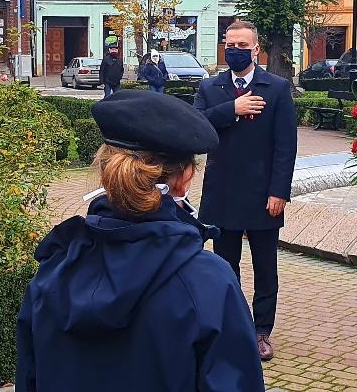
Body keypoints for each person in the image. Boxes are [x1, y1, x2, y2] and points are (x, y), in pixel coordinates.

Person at [15, 90, 266, 392]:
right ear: (185, 177)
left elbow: (30, 379)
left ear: (106, 170)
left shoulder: (53, 270)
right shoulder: (208, 282)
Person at [195, 20, 297, 362]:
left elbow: (286, 146)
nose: (235, 50)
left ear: (256, 49)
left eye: (242, 45)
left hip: (263, 196)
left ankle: (261, 332)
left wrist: (279, 191)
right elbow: (195, 128)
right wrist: (231, 110)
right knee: (226, 268)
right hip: (222, 194)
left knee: (265, 270)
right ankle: (232, 327)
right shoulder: (210, 87)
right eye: (230, 44)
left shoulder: (277, 88)